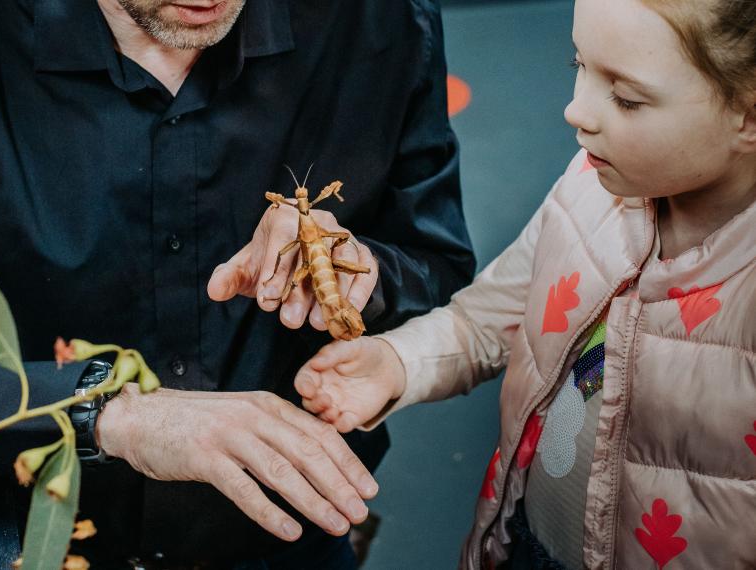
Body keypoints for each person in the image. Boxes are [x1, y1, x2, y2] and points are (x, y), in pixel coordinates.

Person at [0, 0, 475, 568]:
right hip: (39, 528)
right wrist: (110, 412)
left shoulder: (383, 22)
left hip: (295, 528)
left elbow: (437, 266)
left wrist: (360, 274)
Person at [295, 0, 756, 568]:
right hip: (525, 539)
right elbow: (489, 317)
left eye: (628, 98)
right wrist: (398, 361)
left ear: (749, 115)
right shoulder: (588, 187)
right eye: (578, 65)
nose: (576, 111)